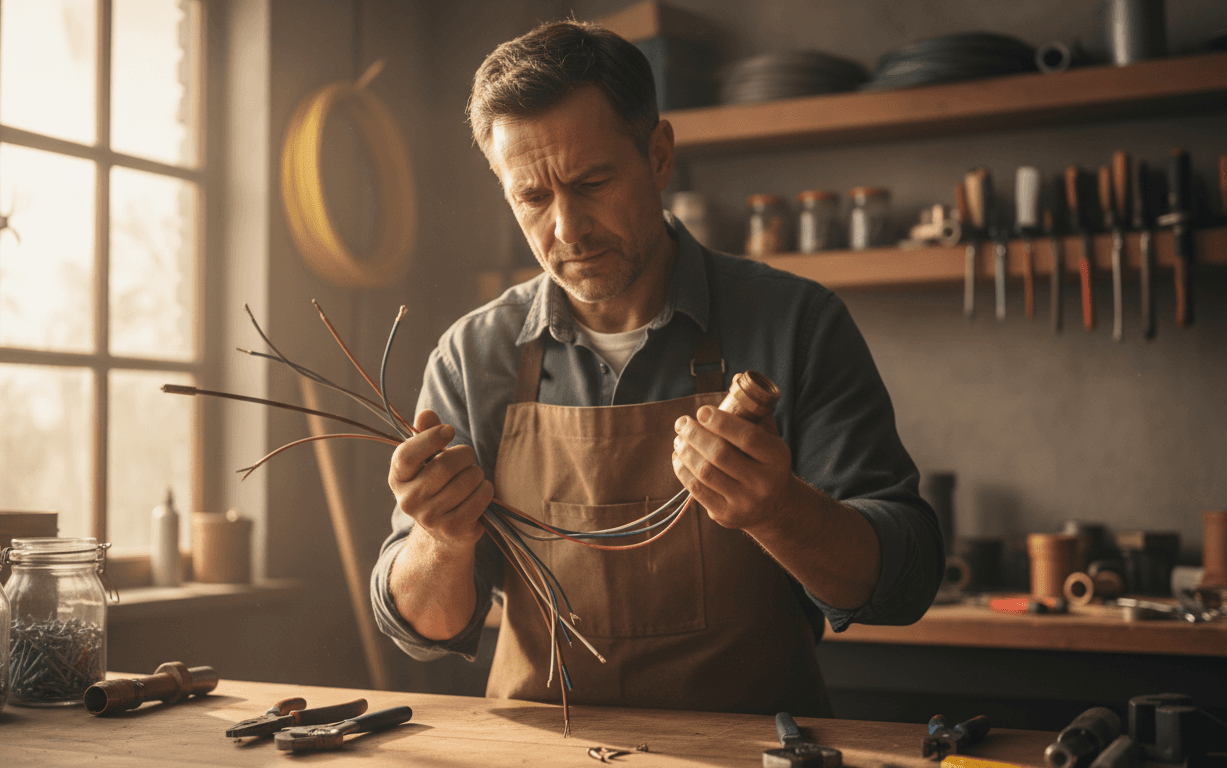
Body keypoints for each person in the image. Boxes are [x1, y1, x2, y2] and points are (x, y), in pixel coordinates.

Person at [370, 20, 943, 717]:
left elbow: (905, 583)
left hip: (750, 754)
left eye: (592, 182)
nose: (568, 229)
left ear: (660, 155)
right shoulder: (474, 356)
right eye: (533, 198)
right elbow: (424, 629)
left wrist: (782, 510)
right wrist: (440, 539)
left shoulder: (797, 324)